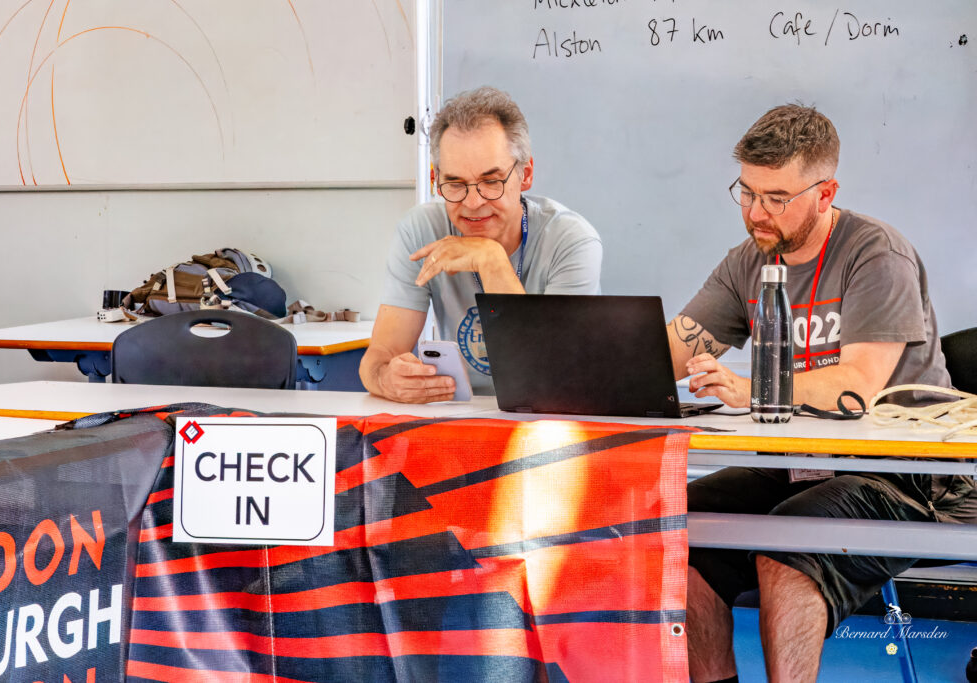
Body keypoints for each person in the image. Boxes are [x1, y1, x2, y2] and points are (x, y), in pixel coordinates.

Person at [666, 104, 976, 682]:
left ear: (825, 192)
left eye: (776, 198)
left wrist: (750, 390)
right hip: (798, 465)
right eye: (746, 192)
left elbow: (856, 386)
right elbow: (670, 352)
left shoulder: (875, 253)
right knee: (675, 527)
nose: (756, 212)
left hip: (907, 478)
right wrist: (593, 364)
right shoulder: (748, 262)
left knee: (787, 544)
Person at [359, 86, 602, 402]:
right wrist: (388, 379)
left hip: (550, 414)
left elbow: (551, 375)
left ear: (526, 174)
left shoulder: (571, 241)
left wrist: (492, 261)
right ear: (436, 180)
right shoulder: (421, 229)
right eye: (455, 183)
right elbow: (378, 358)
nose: (473, 203)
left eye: (491, 182)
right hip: (460, 415)